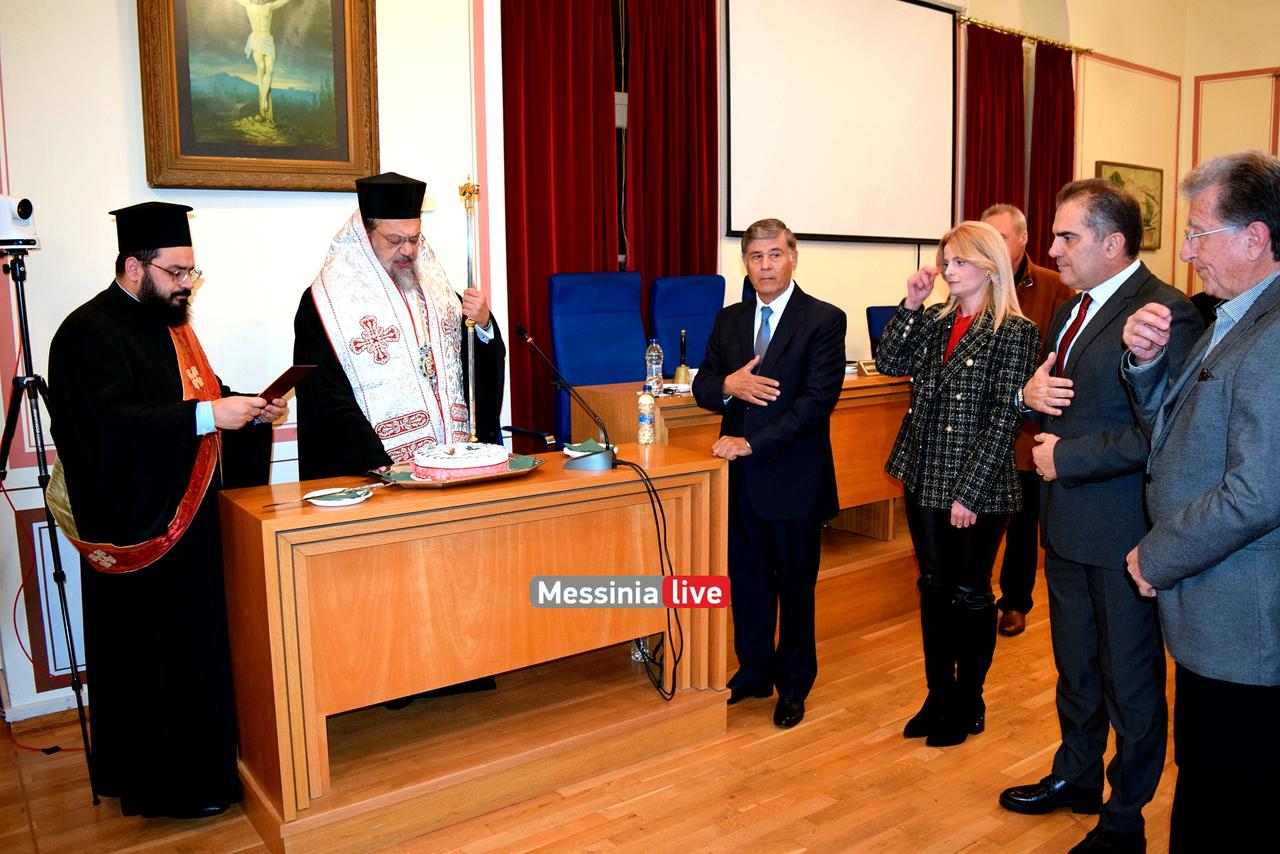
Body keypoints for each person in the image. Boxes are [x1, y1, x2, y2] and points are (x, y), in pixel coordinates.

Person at [46, 201, 283, 818]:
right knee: (152, 665)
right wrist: (209, 415)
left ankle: (210, 774)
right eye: (176, 273)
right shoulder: (86, 333)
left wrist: (249, 408)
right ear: (134, 266)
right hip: (140, 531)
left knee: (198, 653)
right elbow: (108, 428)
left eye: (190, 273)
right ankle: (164, 789)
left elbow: (202, 397)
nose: (187, 286)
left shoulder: (172, 326)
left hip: (194, 528)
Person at [998, 180, 1202, 854]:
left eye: (1067, 237)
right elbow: (1053, 398)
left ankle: (1125, 818)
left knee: (1131, 681)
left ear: (1113, 243)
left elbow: (1163, 432)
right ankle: (1077, 776)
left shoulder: (1166, 313)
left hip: (1123, 532)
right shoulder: (1069, 310)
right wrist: (1028, 395)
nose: (1053, 249)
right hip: (1065, 525)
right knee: (1076, 667)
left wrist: (1069, 458)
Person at [1120, 151, 1280, 853]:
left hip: (1245, 620)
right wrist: (1148, 365)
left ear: (1255, 238)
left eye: (1198, 234)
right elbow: (1177, 433)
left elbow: (1258, 491)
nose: (1186, 253)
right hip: (1215, 608)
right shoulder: (1235, 316)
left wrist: (1156, 554)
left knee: (1226, 803)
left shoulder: (1273, 333)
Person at [876, 221, 1040, 747]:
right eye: (946, 262)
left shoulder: (1015, 331)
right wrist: (910, 304)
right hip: (924, 473)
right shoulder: (936, 319)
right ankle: (937, 696)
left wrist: (969, 491)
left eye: (960, 262)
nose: (948, 271)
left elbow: (1004, 418)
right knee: (934, 588)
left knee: (971, 593)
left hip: (980, 484)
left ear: (989, 266)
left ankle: (969, 698)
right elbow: (889, 362)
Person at [692, 218, 845, 729]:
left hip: (794, 478)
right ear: (745, 264)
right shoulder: (729, 320)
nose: (766, 266)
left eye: (775, 255)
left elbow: (816, 404)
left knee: (796, 588)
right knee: (749, 582)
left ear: (793, 258)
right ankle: (755, 671)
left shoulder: (823, 319)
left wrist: (753, 442)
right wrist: (728, 386)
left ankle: (794, 684)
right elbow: (703, 385)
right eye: (756, 257)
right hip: (741, 482)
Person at [293, 171, 505, 480]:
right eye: (395, 241)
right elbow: (324, 395)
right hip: (376, 471)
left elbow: (474, 363)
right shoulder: (326, 305)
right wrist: (371, 457)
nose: (407, 250)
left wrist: (484, 324)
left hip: (451, 463)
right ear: (366, 235)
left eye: (414, 239)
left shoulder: (437, 293)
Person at [981, 204, 1074, 637]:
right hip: (981, 423)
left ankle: (1015, 602)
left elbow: (1063, 355)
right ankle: (975, 595)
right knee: (978, 519)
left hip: (1027, 426)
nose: (993, 245)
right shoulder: (977, 278)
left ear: (1022, 239)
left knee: (1021, 522)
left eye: (1001, 236)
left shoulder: (1054, 286)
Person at [235, 0, 294, 123]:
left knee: (270, 70)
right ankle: (264, 99)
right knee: (261, 67)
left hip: (267, 40)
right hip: (256, 39)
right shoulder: (248, 5)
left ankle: (263, 97)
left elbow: (282, 2)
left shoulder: (269, 6)